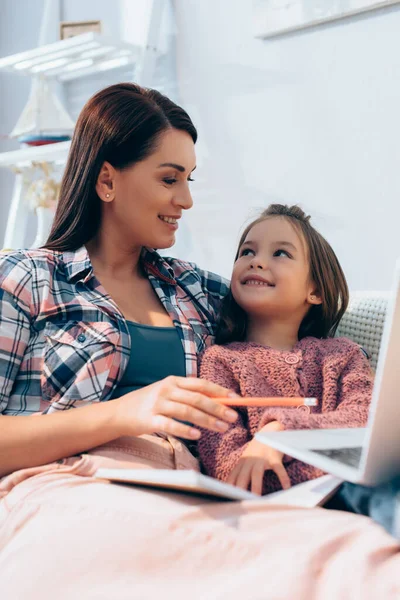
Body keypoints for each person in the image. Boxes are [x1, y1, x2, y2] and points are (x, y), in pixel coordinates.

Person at [0, 82, 240, 479]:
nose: (186, 200)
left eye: (188, 180)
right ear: (107, 182)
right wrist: (126, 412)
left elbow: (292, 330)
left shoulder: (198, 291)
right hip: (68, 491)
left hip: (188, 489)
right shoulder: (26, 279)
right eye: (169, 179)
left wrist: (273, 430)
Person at [198, 204, 374, 495]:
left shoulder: (344, 355)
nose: (256, 262)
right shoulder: (220, 362)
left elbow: (365, 421)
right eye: (247, 252)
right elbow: (227, 467)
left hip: (357, 490)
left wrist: (279, 432)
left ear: (315, 290)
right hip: (299, 502)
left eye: (280, 253)